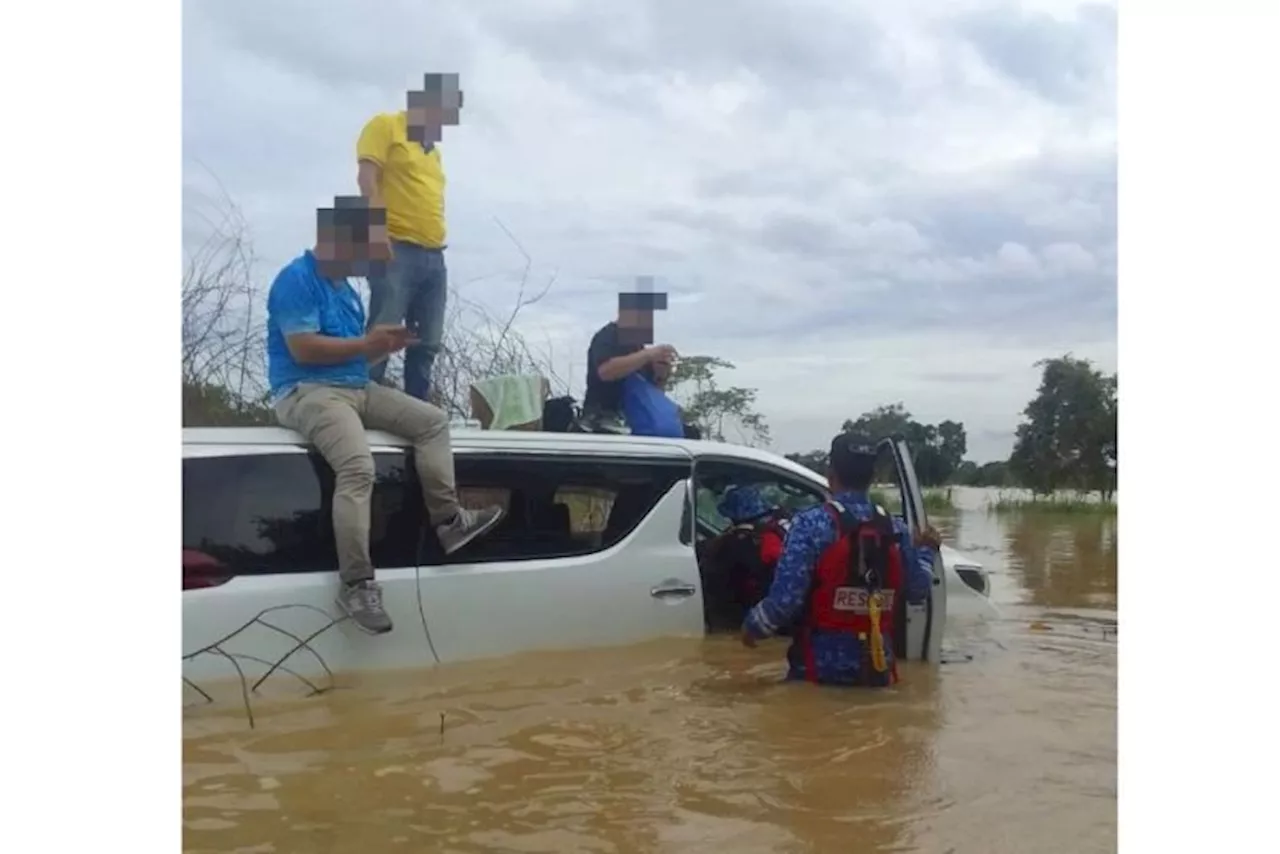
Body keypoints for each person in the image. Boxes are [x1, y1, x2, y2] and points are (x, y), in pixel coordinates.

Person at [266, 195, 504, 635]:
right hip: (308, 391)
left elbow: (357, 349)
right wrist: (368, 345)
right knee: (358, 467)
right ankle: (357, 583)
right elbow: (302, 348)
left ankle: (449, 523)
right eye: (367, 250)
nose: (370, 264)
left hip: (357, 387)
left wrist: (382, 345)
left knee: (432, 422)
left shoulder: (346, 292)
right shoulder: (296, 279)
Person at [741, 434, 942, 687]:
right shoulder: (896, 529)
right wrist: (925, 551)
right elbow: (918, 591)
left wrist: (752, 628)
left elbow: (784, 602)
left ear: (830, 473)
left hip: (817, 675)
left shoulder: (810, 524)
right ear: (873, 477)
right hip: (876, 672)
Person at [356, 73, 463, 401]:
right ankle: (362, 403)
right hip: (395, 248)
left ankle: (417, 409)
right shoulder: (386, 125)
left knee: (426, 342)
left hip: (434, 255)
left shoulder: (434, 154)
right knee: (383, 334)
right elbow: (367, 180)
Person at [583, 287, 678, 432]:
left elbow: (653, 392)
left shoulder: (638, 347)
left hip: (635, 419)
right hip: (603, 419)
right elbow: (606, 372)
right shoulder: (608, 335)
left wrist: (662, 371)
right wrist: (647, 355)